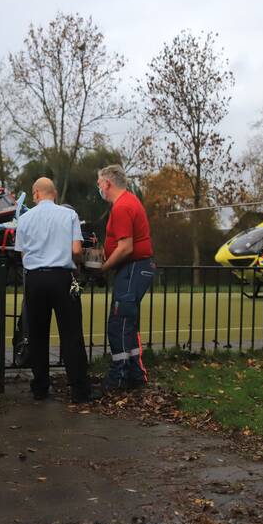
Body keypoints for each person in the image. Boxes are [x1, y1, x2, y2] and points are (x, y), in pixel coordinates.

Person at [15, 177, 99, 403]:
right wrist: (78, 266)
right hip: (62, 277)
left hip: (34, 278)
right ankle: (79, 390)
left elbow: (22, 254)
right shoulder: (69, 215)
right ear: (55, 193)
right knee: (71, 334)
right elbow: (75, 249)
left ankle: (40, 386)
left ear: (35, 193)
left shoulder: (24, 218)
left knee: (37, 335)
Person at [97, 164, 155, 391]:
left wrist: (103, 268)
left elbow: (125, 247)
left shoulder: (122, 207)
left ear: (108, 183)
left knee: (119, 322)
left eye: (100, 182)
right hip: (136, 268)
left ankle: (119, 376)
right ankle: (134, 375)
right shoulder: (130, 201)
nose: (99, 187)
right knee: (127, 323)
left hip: (132, 268)